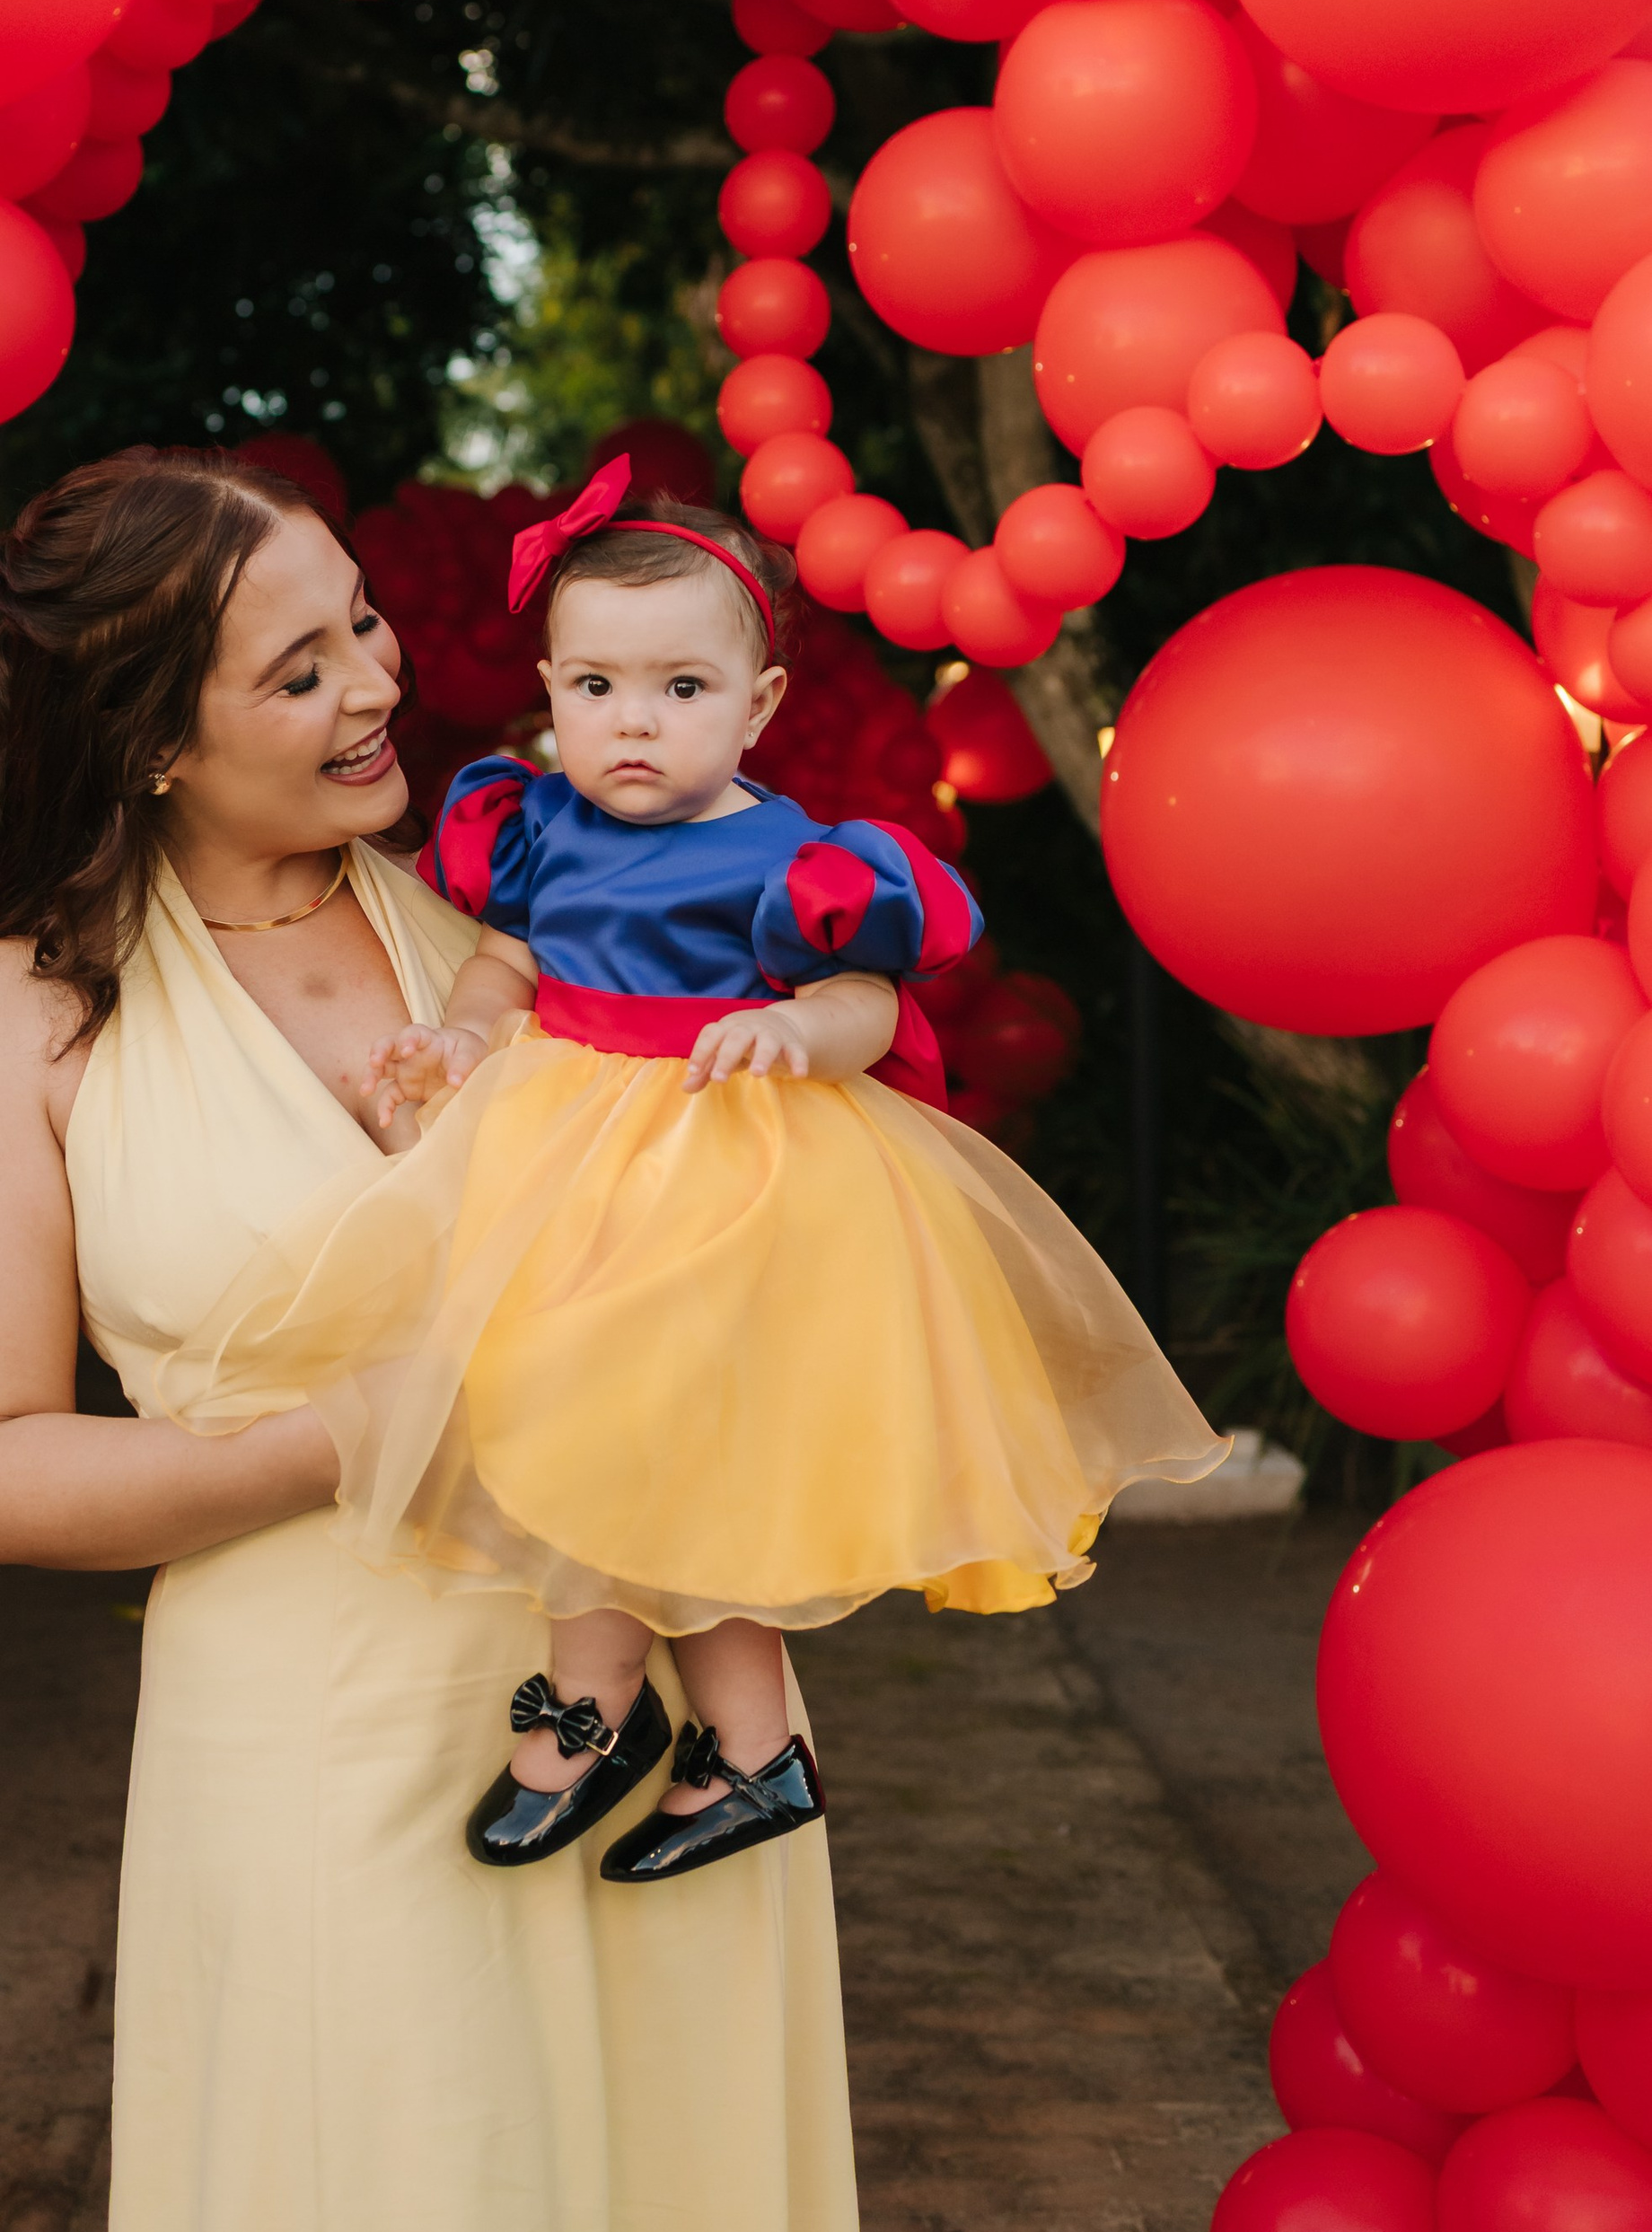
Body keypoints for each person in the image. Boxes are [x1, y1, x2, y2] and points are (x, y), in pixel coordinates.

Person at [0, 446, 882, 2232]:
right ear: (151, 739)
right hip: (318, 1742)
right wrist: (346, 1433)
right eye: (297, 667)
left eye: (359, 622)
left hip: (638, 1726)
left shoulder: (534, 918)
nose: (373, 684)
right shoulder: (11, 1024)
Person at [154, 460, 1228, 1888]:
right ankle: (724, 1745)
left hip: (730, 1168)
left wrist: (796, 1032)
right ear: (551, 690)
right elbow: (506, 968)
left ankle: (618, 1720)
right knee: (586, 1434)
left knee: (675, 1455)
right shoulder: (538, 826)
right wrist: (460, 1039)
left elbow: (869, 1005)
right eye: (598, 688)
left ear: (757, 704)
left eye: (681, 689)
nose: (636, 723)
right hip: (569, 1156)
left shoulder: (794, 859)